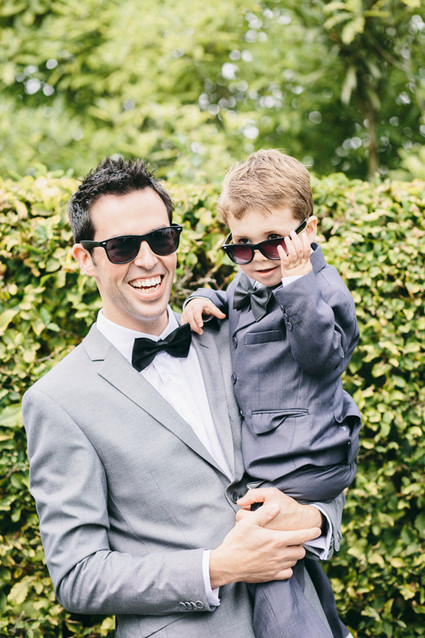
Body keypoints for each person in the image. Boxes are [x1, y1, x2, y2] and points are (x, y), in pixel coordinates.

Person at [22, 156, 349, 638]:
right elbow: (78, 576)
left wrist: (314, 518)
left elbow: (319, 433)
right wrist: (216, 567)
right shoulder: (58, 400)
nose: (148, 260)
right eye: (121, 247)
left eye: (161, 239)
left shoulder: (239, 332)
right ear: (84, 259)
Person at [182, 149, 362, 638]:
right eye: (242, 246)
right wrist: (203, 299)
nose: (259, 259)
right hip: (277, 453)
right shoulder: (248, 281)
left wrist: (298, 283)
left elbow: (322, 358)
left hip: (308, 456)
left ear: (308, 230)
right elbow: (230, 300)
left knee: (267, 564)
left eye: (274, 242)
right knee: (293, 563)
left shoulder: (324, 290)